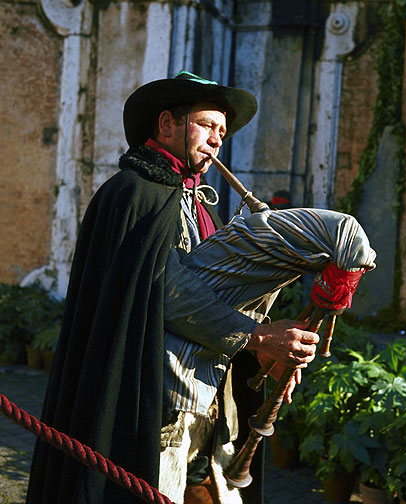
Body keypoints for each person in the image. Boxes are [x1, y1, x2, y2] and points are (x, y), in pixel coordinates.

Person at [26, 71, 320, 504]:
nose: (217, 139)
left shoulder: (200, 206)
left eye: (222, 132)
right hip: (150, 411)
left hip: (209, 415)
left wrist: (258, 353)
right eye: (207, 125)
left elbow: (221, 298)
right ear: (167, 124)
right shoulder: (132, 196)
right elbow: (167, 292)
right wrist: (259, 337)